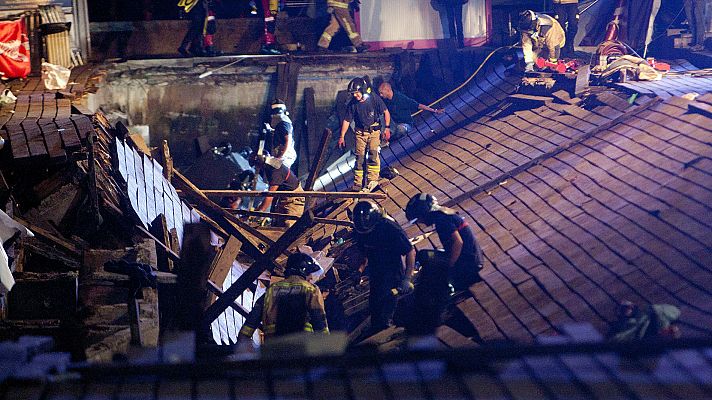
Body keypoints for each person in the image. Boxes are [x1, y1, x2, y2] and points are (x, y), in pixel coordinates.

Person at [352, 201, 415, 333]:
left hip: (393, 273)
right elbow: (365, 253)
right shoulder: (360, 231)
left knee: (389, 307)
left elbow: (410, 251)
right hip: (375, 274)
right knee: (376, 308)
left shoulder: (390, 229)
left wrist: (407, 278)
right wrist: (359, 270)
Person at [238, 252, 329, 341]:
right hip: (301, 346)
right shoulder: (311, 289)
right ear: (303, 271)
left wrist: (243, 338)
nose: (311, 278)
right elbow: (319, 320)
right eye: (309, 274)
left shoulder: (271, 289)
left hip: (273, 347)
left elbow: (254, 317)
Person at [405, 193, 483, 291]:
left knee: (426, 257)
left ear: (425, 213)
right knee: (426, 255)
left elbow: (458, 243)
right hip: (472, 258)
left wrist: (449, 267)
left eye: (419, 219)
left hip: (466, 263)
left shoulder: (442, 220)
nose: (421, 222)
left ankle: (443, 288)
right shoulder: (445, 215)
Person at [338, 77, 391, 190]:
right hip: (360, 133)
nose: (355, 96)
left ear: (363, 90)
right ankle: (358, 183)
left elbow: (386, 112)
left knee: (373, 155)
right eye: (353, 94)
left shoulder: (373, 98)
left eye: (357, 93)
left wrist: (387, 128)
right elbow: (347, 120)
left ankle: (372, 180)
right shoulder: (352, 104)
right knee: (360, 159)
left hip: (374, 132)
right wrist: (342, 136)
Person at [249, 151, 304, 227]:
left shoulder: (274, 170)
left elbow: (270, 195)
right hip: (284, 197)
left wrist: (260, 212)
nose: (257, 168)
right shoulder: (271, 164)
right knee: (278, 226)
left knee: (289, 227)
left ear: (260, 162)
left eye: (257, 165)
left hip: (294, 199)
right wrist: (258, 210)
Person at [377, 82, 444, 141]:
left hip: (405, 124)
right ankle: (386, 136)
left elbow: (418, 105)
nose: (381, 95)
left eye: (382, 93)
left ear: (388, 90)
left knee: (400, 129)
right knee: (382, 115)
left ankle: (387, 137)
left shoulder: (401, 98)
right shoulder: (385, 101)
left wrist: (434, 110)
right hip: (394, 125)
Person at [266, 99, 297, 169]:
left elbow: (288, 141)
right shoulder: (282, 123)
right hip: (283, 153)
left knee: (278, 174)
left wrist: (280, 156)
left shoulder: (283, 123)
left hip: (286, 155)